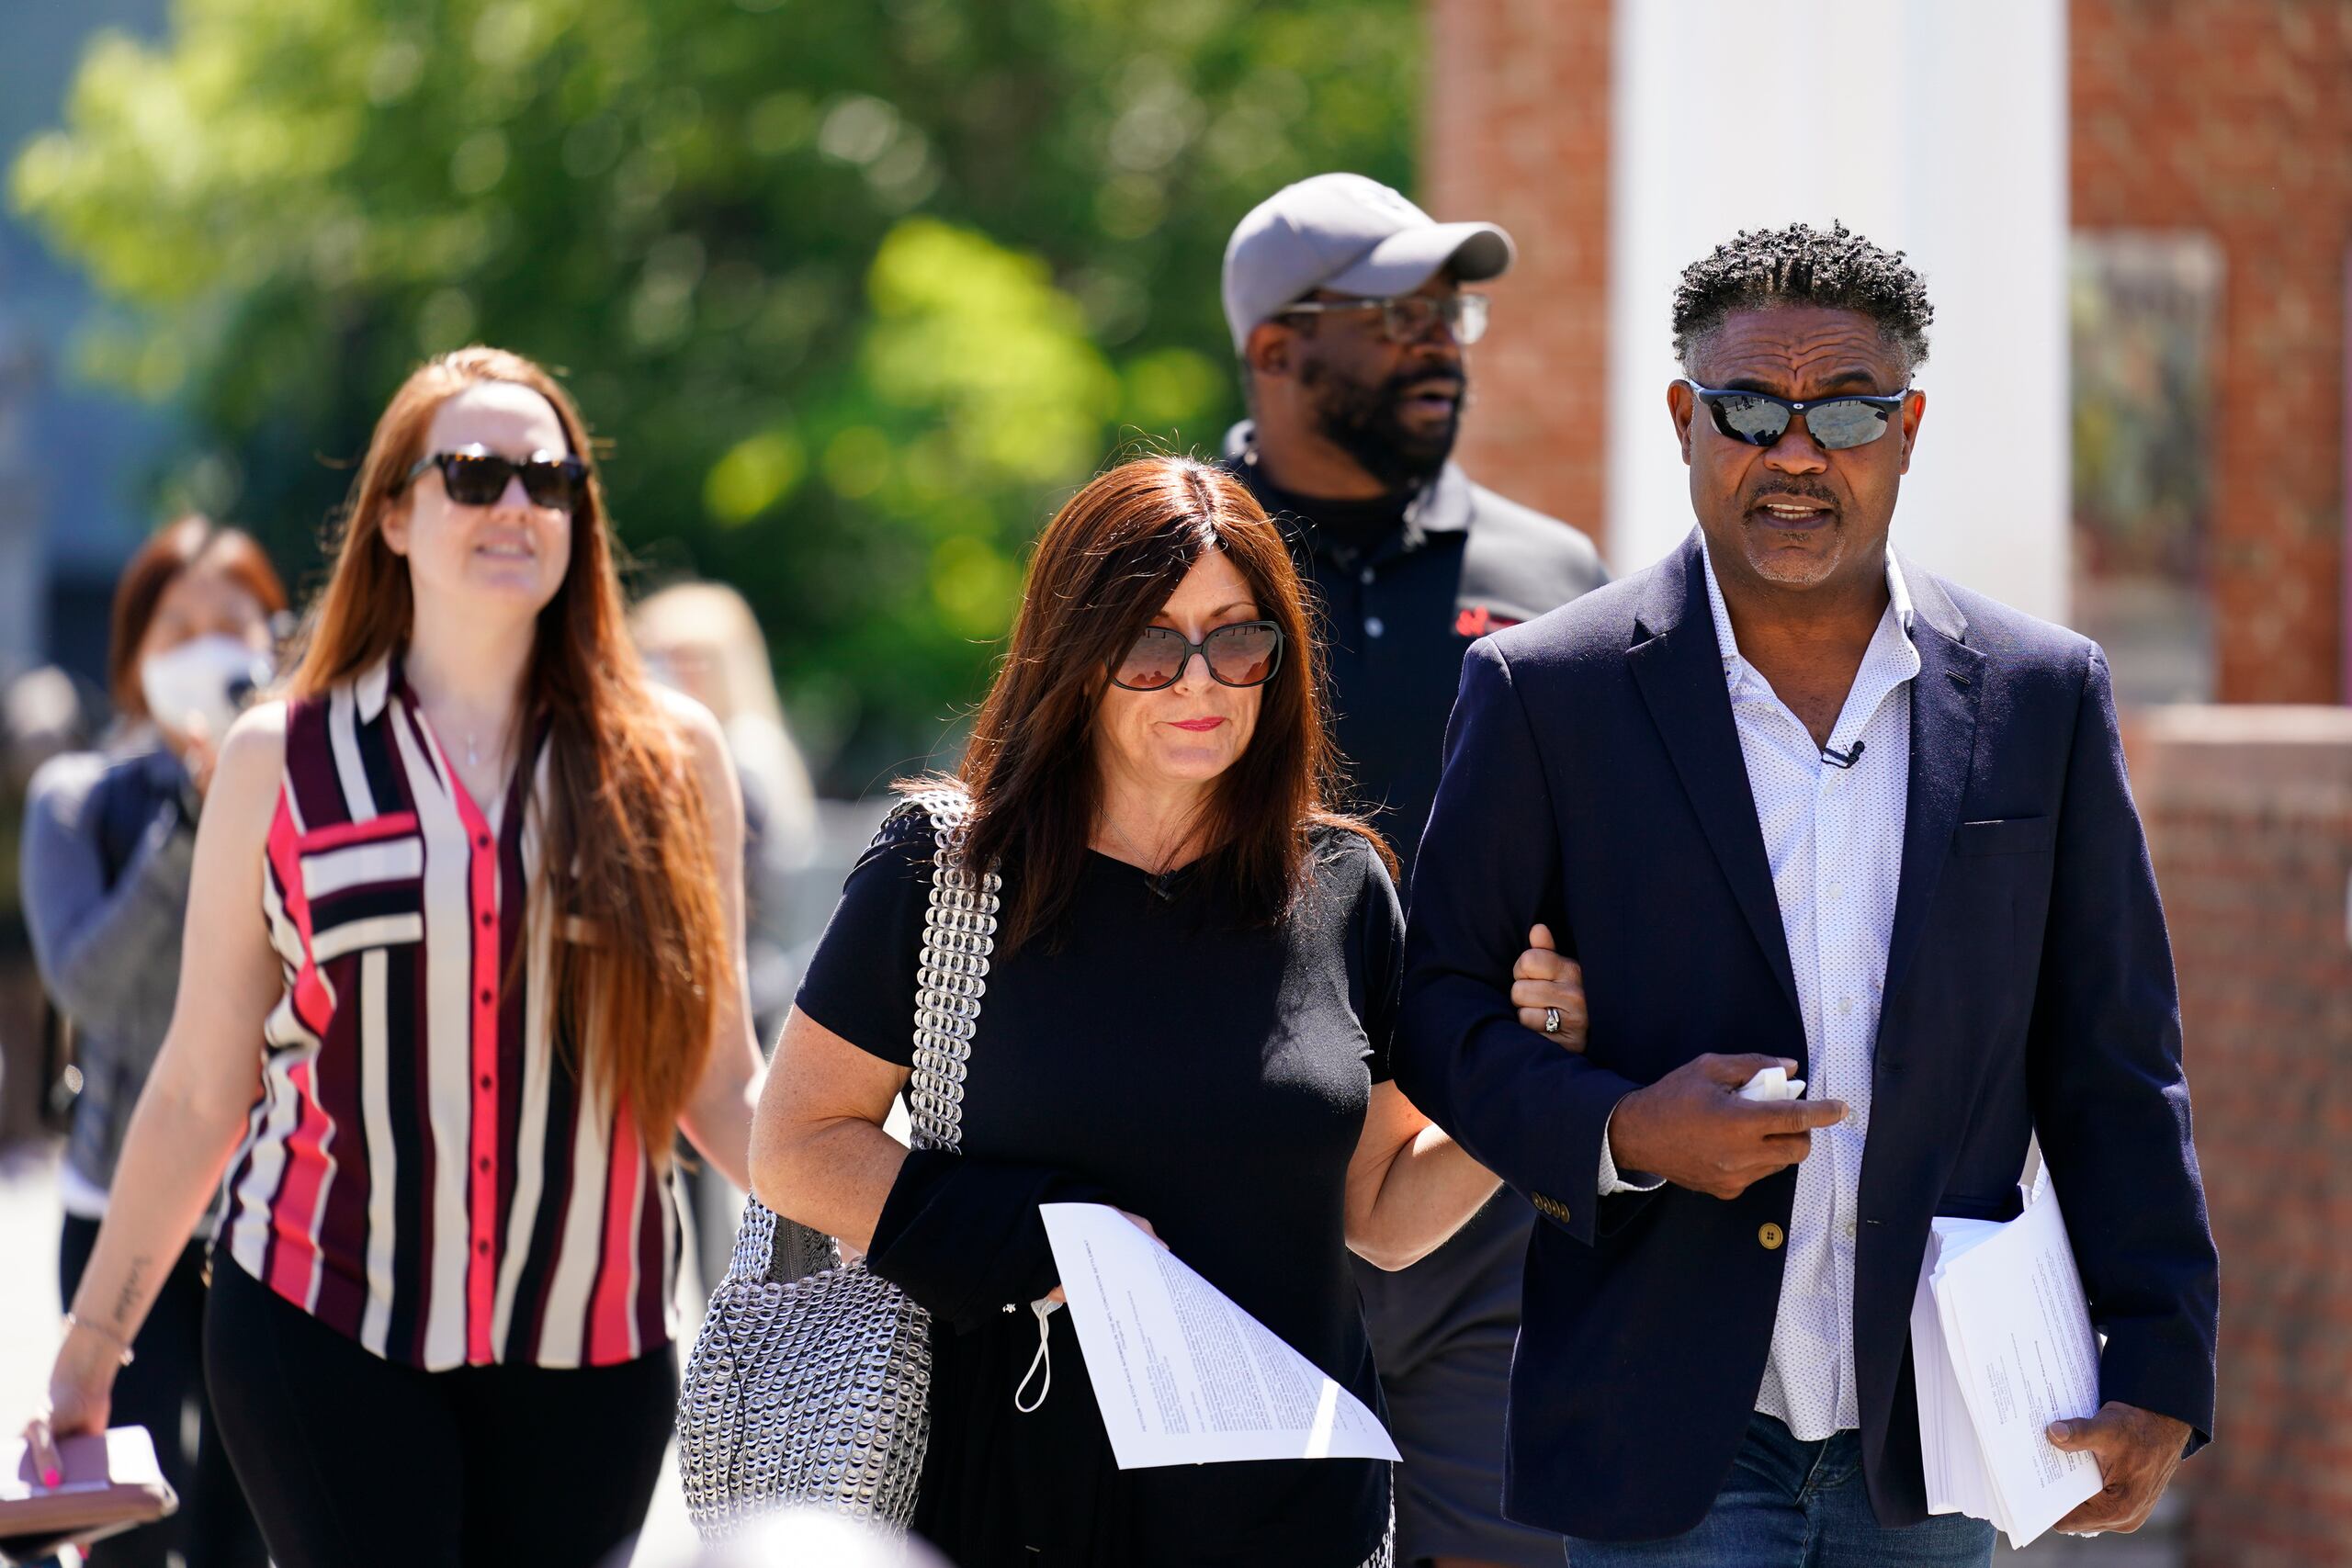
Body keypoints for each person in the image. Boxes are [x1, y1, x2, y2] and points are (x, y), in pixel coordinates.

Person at [1396, 222, 2220, 1564]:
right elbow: (1436, 1006)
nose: (1795, 452)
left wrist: (2161, 1353)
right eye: (1749, 410)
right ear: (1683, 418)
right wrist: (1624, 1129)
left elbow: (2117, 1054)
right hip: (1667, 1417)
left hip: (1939, 1418)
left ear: (1907, 426)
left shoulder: (2038, 692)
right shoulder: (1549, 691)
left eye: (1844, 409)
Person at [749, 456, 1586, 1567]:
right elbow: (796, 1147)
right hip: (1021, 1500)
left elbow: (1382, 1214)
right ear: (1077, 655)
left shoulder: (1341, 885)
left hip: (1293, 1517)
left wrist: (1528, 1075)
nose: (1201, 683)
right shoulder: (944, 871)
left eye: (1238, 641)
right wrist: (1044, 1237)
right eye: (1151, 645)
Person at [23, 346, 768, 1568]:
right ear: (393, 514)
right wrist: (94, 1340)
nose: (517, 503)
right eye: (474, 473)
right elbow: (205, 1079)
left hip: (594, 1332)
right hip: (322, 1310)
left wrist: (903, 1219)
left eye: (549, 477)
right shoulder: (280, 756)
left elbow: (720, 1080)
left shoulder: (673, 758)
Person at [1220, 171, 1608, 1568]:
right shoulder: (1175, 560)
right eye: (1396, 316)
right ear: (1277, 349)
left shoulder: (1556, 569)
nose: (1439, 339)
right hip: (1224, 1184)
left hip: (1472, 1178)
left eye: (1454, 310)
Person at [19, 516, 284, 1568]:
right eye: (179, 627)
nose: (209, 649)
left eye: (233, 623)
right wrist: (192, 821)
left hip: (266, 1208)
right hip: (117, 1198)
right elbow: (87, 980)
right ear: (133, 654)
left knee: (244, 1503)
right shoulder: (78, 803)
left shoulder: (311, 794)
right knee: (122, 1509)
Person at [632, 580, 820, 1292]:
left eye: (689, 655)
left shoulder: (735, 756)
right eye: (656, 652)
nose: (668, 669)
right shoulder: (745, 749)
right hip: (747, 976)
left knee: (715, 1206)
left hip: (722, 982)